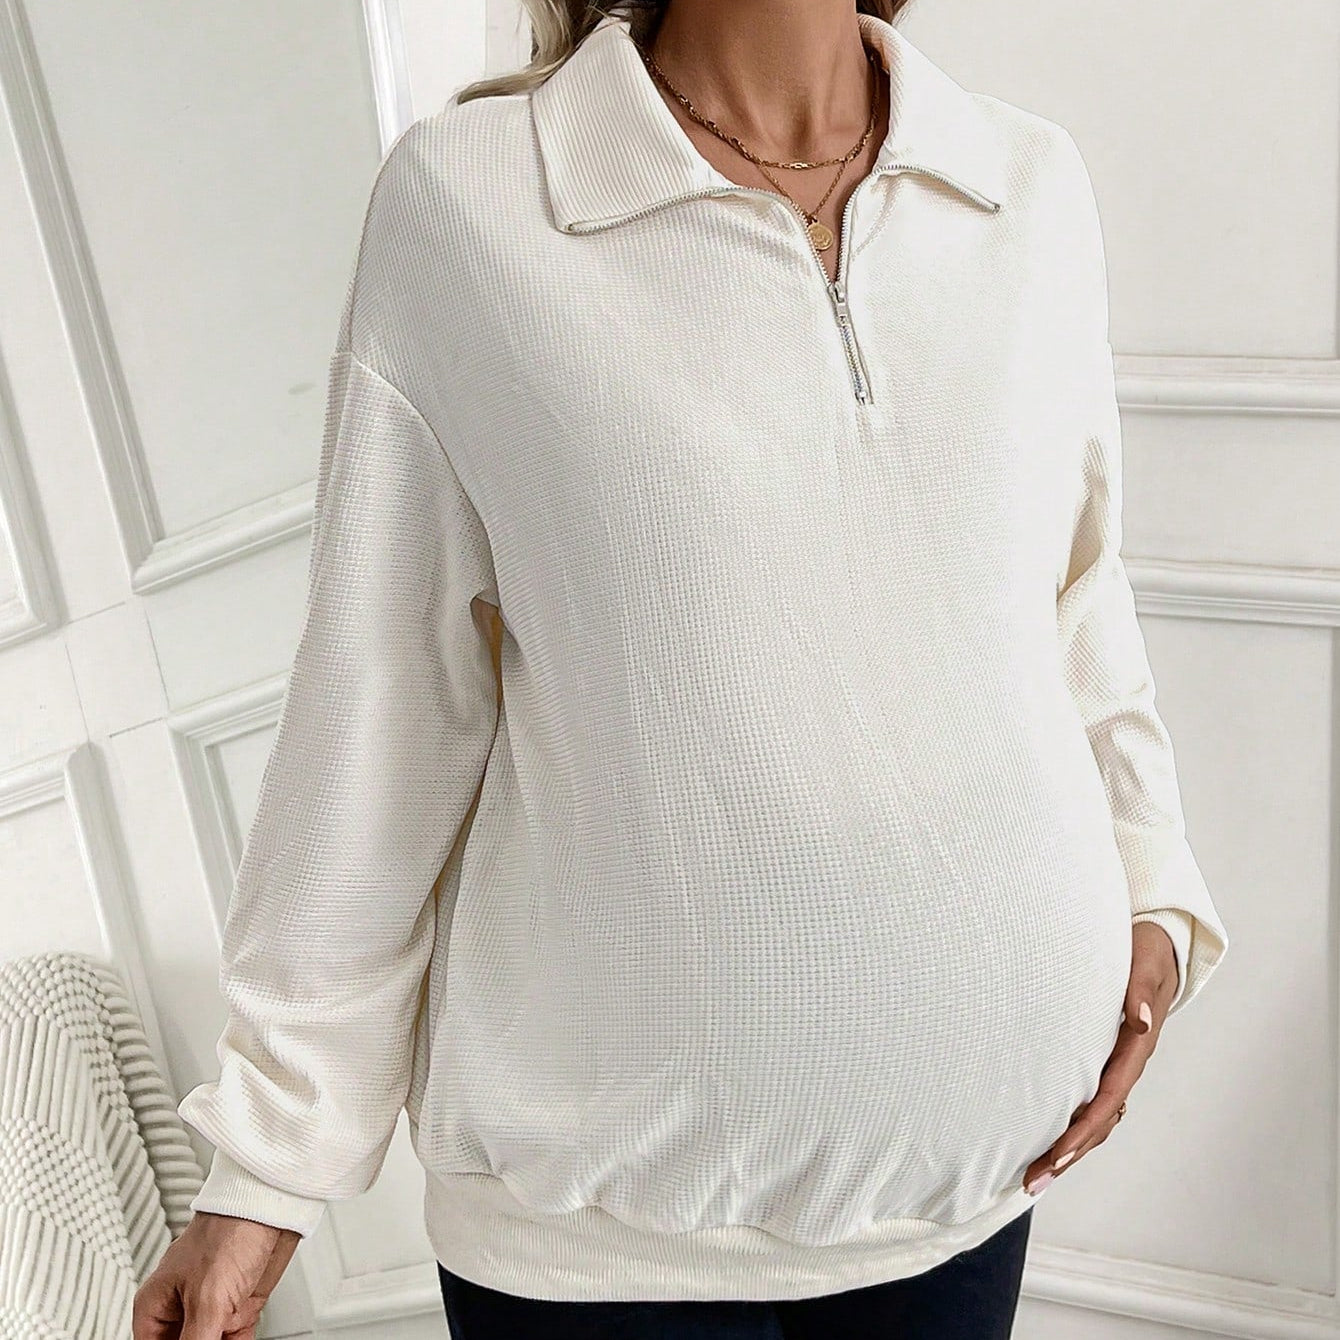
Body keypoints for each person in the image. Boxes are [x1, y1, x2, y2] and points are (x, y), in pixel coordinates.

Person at [134, 2, 1230, 1337]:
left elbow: (1076, 597)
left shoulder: (1027, 184)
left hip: (977, 1183)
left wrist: (1154, 890)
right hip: (605, 1246)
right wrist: (267, 1168)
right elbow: (387, 702)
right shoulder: (476, 202)